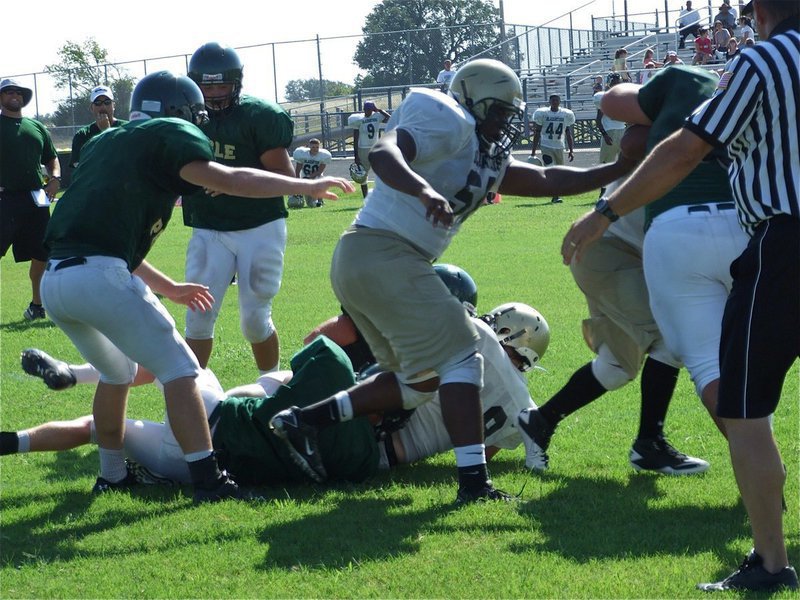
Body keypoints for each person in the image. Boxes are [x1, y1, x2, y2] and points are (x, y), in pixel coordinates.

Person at [267, 58, 640, 505]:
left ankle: (303, 421)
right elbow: (385, 152)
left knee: (419, 382)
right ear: (471, 99)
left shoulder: (482, 151)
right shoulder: (443, 113)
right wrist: (421, 189)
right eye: (499, 111)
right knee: (465, 357)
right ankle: (473, 484)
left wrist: (619, 170)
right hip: (384, 251)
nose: (505, 122)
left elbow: (544, 177)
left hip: (374, 259)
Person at [561, 0, 799, 591]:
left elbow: (686, 148)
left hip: (783, 240)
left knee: (742, 409)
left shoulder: (766, 60)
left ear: (763, 11)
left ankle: (771, 563)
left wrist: (607, 210)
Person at [39, 70, 353, 502]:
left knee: (118, 375)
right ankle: (209, 481)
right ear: (183, 112)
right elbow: (234, 179)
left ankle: (112, 475)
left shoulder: (100, 144)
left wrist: (171, 288)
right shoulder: (168, 133)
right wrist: (305, 184)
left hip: (58, 282)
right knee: (183, 369)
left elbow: (112, 245)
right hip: (99, 275)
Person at [12, 301, 552, 483]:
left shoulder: (462, 347)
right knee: (256, 383)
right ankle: (70, 385)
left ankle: (71, 383)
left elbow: (326, 346)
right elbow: (505, 437)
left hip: (233, 424)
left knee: (175, 361)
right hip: (296, 454)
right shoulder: (509, 406)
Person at [182, 42, 296, 377]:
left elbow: (285, 179)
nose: (215, 94)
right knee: (198, 318)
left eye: (221, 85)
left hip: (259, 226)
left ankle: (271, 384)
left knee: (254, 320)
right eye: (207, 85)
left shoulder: (259, 117)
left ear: (236, 83)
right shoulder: (184, 116)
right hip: (208, 227)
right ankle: (193, 396)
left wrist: (232, 183)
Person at [0, 78, 61, 322]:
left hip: (35, 200)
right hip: (4, 199)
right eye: (8, 92)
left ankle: (37, 305)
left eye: (18, 92)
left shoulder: (36, 127)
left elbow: (52, 158)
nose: (14, 95)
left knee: (42, 254)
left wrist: (55, 177)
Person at [529, 94, 575, 203]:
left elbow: (568, 133)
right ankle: (555, 196)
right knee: (550, 171)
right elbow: (537, 132)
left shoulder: (565, 114)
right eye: (553, 100)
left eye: (556, 100)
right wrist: (533, 151)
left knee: (559, 173)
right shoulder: (543, 114)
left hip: (559, 146)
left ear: (559, 102)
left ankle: (555, 193)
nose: (555, 102)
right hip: (546, 145)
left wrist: (571, 150)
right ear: (549, 102)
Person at [69, 85, 128, 169]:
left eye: (107, 102)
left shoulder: (127, 129)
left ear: (114, 105)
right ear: (91, 108)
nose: (103, 107)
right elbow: (78, 167)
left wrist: (106, 131)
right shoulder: (82, 135)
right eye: (98, 103)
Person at [347, 100, 391, 198]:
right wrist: (356, 156)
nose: (368, 111)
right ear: (364, 109)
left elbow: (389, 118)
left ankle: (382, 196)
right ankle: (365, 198)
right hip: (363, 149)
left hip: (376, 148)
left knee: (381, 172)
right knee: (362, 175)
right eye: (366, 109)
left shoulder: (377, 116)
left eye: (370, 109)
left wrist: (379, 110)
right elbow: (355, 139)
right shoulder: (358, 119)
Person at [593, 72, 626, 197]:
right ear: (609, 82)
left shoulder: (624, 96)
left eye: (618, 81)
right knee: (606, 164)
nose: (616, 83)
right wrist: (605, 134)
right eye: (614, 81)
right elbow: (598, 119)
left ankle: (620, 191)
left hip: (622, 130)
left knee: (624, 163)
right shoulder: (603, 97)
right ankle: (603, 191)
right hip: (610, 131)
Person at [291, 138, 332, 208]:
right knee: (310, 203)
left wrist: (310, 177)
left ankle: (320, 200)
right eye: (313, 147)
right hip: (304, 176)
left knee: (320, 180)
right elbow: (297, 170)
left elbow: (320, 171)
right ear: (309, 146)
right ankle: (299, 198)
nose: (315, 149)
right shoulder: (302, 154)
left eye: (317, 147)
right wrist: (298, 182)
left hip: (316, 176)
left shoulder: (323, 155)